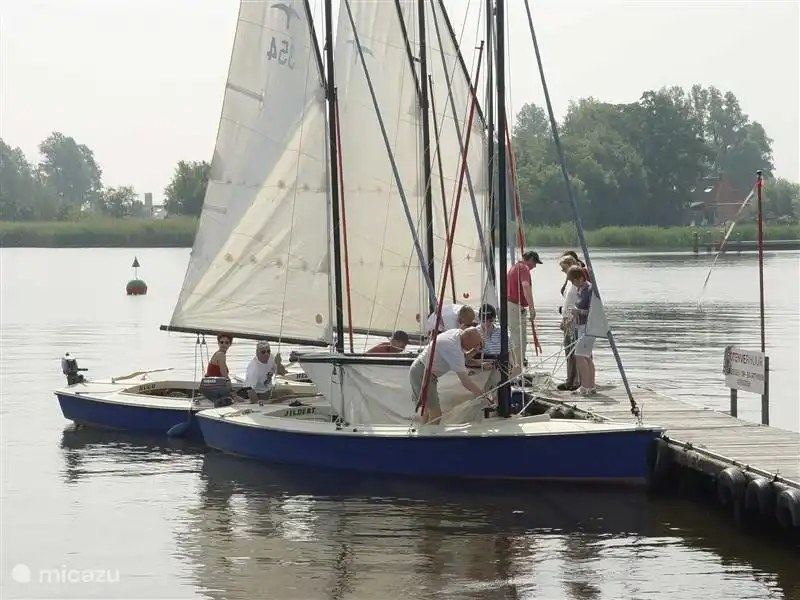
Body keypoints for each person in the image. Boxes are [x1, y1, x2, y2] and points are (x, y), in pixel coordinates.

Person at [409, 326, 487, 425]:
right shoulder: (452, 348)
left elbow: (461, 358)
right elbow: (466, 382)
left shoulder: (457, 333)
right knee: (436, 415)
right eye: (474, 345)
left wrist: (475, 351)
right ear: (468, 340)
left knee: (426, 411)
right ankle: (431, 434)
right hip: (422, 374)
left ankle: (423, 431)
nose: (474, 347)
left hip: (419, 369)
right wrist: (483, 395)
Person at [506, 250, 542, 375]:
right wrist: (532, 308)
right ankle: (516, 371)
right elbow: (526, 286)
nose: (534, 266)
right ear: (530, 259)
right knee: (519, 340)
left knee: (515, 337)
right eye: (535, 263)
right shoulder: (523, 268)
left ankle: (513, 367)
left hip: (511, 305)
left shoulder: (514, 267)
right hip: (516, 306)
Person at [566, 265, 597, 396]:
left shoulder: (590, 290)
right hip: (581, 326)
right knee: (586, 356)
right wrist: (571, 319)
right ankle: (591, 386)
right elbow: (578, 307)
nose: (573, 284)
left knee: (579, 355)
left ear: (580, 278)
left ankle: (585, 386)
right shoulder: (580, 290)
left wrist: (578, 311)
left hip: (589, 327)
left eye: (574, 281)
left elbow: (592, 312)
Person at [557, 255, 580, 391]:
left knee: (573, 351)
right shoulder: (569, 284)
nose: (563, 271)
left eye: (564, 268)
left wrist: (568, 319)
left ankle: (575, 381)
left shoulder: (577, 284)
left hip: (573, 322)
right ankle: (570, 379)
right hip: (567, 321)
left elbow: (576, 304)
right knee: (569, 352)